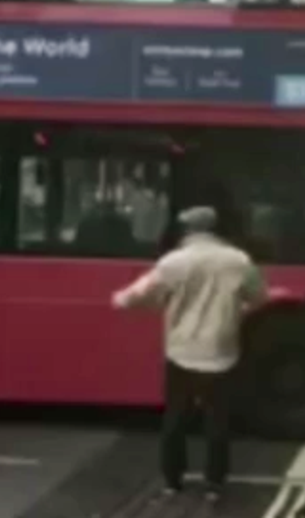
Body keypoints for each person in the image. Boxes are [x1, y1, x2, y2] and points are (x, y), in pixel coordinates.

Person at [111, 205, 267, 502]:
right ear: (214, 228)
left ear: (187, 230)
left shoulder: (173, 262)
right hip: (221, 351)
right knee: (218, 420)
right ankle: (214, 483)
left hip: (181, 350)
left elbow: (135, 296)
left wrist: (119, 299)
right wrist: (237, 311)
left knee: (175, 419)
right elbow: (260, 297)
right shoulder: (237, 261)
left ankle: (173, 479)